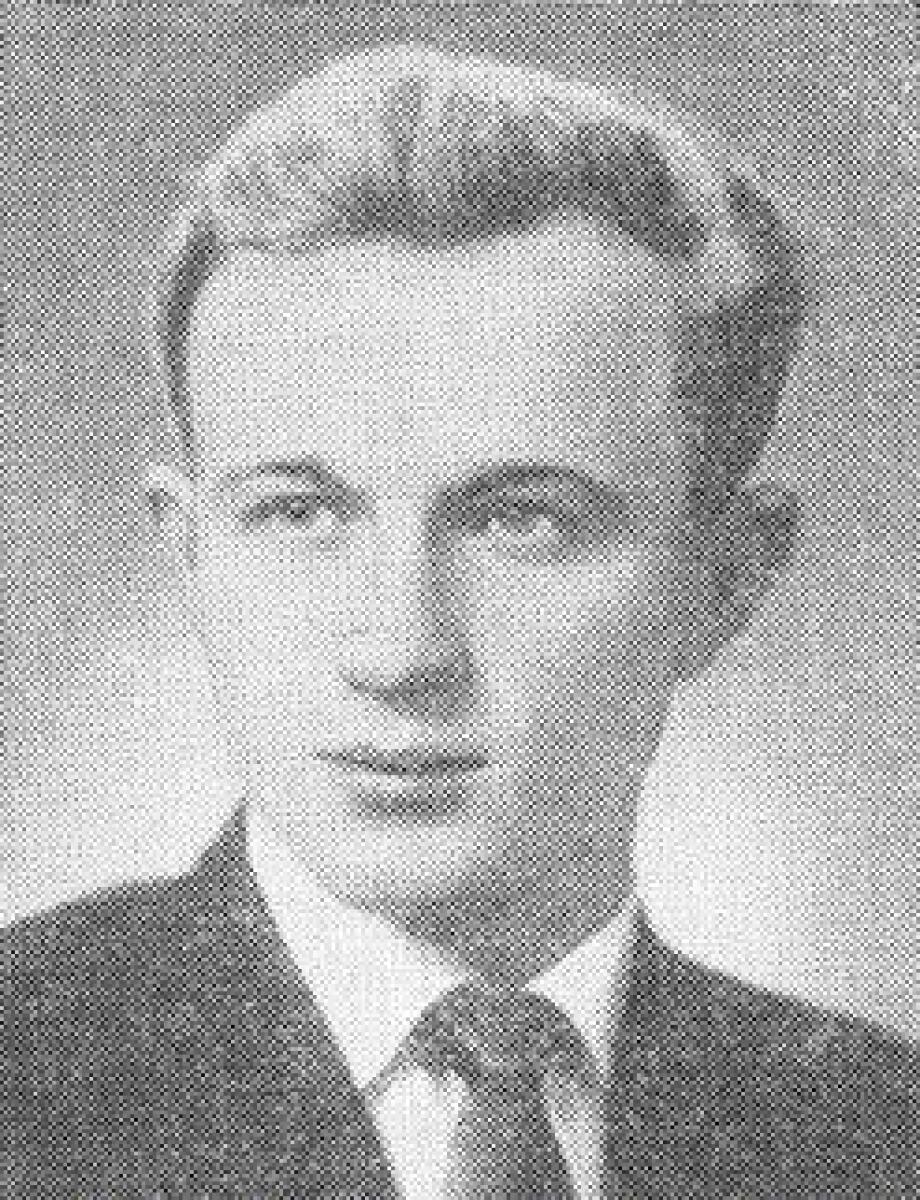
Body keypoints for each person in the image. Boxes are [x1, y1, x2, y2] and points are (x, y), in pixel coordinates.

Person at [1, 42, 915, 1199]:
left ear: (725, 577)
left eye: (517, 520)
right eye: (297, 513)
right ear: (190, 554)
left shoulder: (877, 1133)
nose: (400, 654)